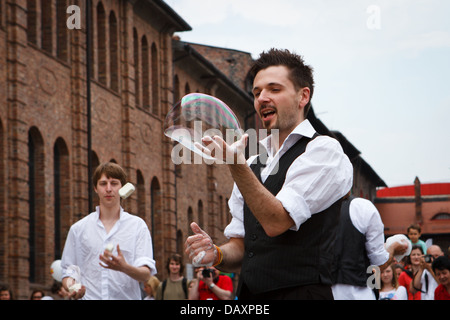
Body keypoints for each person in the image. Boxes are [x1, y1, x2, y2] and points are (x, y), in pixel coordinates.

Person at [185, 49, 353, 299]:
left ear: (302, 96)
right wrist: (216, 254)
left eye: (274, 89)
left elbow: (277, 222)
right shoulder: (252, 163)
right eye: (256, 92)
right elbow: (242, 248)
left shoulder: (324, 151)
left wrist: (235, 163)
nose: (262, 98)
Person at [61, 162, 157, 300]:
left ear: (123, 188)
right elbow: (68, 271)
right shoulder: (78, 229)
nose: (108, 189)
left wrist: (124, 267)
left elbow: (146, 274)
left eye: (114, 183)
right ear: (95, 188)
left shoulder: (137, 226)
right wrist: (73, 287)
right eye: (103, 183)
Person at [331, 196, 408, 300]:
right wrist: (392, 249)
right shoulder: (361, 207)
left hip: (323, 290)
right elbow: (379, 263)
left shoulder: (313, 206)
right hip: (359, 292)